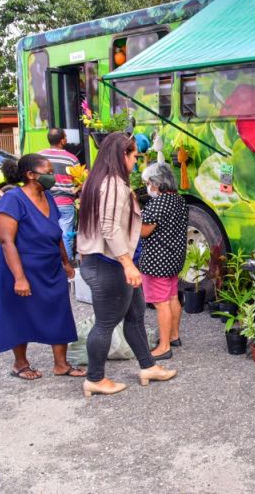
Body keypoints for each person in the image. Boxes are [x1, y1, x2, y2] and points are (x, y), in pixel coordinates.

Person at [77, 133, 176, 397]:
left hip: (110, 262)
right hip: (108, 263)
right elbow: (109, 227)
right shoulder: (112, 185)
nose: (135, 161)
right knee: (106, 323)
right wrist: (127, 264)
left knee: (135, 316)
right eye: (133, 156)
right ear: (122, 155)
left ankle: (148, 366)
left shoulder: (98, 181)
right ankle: (95, 378)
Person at [0, 154, 85, 380]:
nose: (52, 176)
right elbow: (6, 241)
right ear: (30, 175)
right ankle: (20, 364)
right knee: (18, 313)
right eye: (47, 172)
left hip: (48, 264)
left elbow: (56, 233)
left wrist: (66, 262)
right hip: (16, 265)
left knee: (60, 309)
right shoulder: (12, 200)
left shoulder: (47, 196)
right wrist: (19, 277)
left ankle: (61, 364)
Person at [139, 163, 189, 360]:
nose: (147, 187)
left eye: (148, 183)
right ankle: (174, 336)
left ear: (158, 183)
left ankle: (164, 346)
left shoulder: (158, 204)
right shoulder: (179, 200)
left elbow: (144, 231)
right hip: (174, 258)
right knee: (172, 298)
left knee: (161, 303)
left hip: (157, 261)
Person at [39, 128, 80, 261]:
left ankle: (49, 262)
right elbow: (78, 180)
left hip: (44, 202)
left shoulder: (39, 157)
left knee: (45, 233)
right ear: (62, 140)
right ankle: (66, 264)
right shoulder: (72, 159)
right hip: (65, 202)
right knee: (66, 235)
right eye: (65, 137)